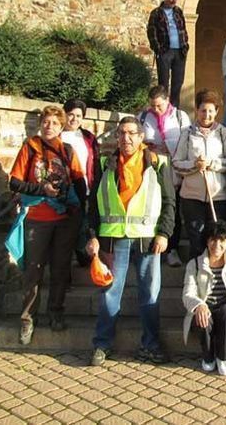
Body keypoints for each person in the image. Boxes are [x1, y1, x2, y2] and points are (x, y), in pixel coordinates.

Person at [86, 116, 176, 366]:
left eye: (131, 134)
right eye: (121, 133)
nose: (126, 138)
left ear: (141, 137)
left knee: (150, 294)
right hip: (114, 239)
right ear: (117, 137)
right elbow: (93, 203)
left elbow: (170, 201)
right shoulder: (106, 163)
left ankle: (150, 344)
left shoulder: (158, 163)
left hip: (147, 240)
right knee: (109, 293)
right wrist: (92, 235)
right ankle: (102, 344)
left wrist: (164, 233)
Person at [9, 106, 87, 345]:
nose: (49, 126)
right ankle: (27, 319)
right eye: (46, 121)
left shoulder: (67, 150)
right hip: (37, 218)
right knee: (33, 270)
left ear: (61, 127)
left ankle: (56, 312)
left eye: (55, 123)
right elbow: (14, 182)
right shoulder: (30, 148)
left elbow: (79, 182)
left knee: (61, 269)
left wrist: (78, 209)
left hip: (64, 219)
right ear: (40, 123)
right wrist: (41, 189)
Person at [173, 89, 226, 258]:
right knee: (197, 240)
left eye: (210, 111)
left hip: (219, 197)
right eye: (203, 110)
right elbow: (176, 164)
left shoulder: (224, 133)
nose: (206, 115)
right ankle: (196, 274)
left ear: (216, 112)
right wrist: (194, 164)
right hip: (192, 197)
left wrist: (213, 164)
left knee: (217, 240)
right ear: (197, 110)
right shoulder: (187, 133)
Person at [182, 221, 226, 376]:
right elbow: (187, 293)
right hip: (205, 310)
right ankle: (208, 356)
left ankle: (223, 358)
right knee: (203, 315)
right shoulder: (195, 264)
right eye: (213, 239)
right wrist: (199, 305)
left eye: (222, 240)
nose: (217, 244)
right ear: (206, 240)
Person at [140, 85, 190, 267]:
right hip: (152, 168)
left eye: (159, 106)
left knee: (172, 208)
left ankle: (172, 248)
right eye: (153, 106)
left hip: (173, 168)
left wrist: (166, 146)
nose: (156, 109)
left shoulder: (180, 117)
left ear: (167, 101)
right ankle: (152, 247)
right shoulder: (144, 117)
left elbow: (186, 140)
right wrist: (149, 146)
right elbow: (138, 140)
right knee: (153, 208)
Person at [60, 98, 100, 266]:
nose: (74, 119)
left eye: (78, 115)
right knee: (67, 228)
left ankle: (84, 258)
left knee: (85, 224)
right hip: (64, 190)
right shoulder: (57, 136)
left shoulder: (88, 137)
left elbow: (96, 161)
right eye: (71, 115)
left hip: (86, 187)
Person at [146, 0, 189, 106]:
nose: (174, 0)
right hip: (165, 50)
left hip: (180, 51)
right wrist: (157, 48)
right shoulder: (156, 13)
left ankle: (174, 109)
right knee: (163, 83)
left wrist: (185, 44)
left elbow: (183, 29)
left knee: (178, 83)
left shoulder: (178, 11)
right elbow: (151, 31)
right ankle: (162, 106)